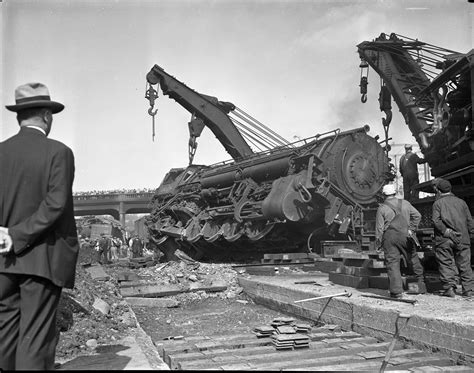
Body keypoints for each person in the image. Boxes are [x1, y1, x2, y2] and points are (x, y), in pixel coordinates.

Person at [0, 82, 79, 370]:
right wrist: (17, 235)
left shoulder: (1, 152)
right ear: (47, 116)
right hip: (42, 260)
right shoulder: (59, 152)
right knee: (35, 340)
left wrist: (4, 235)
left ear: (19, 116)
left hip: (3, 262)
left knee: (5, 337)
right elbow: (55, 205)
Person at [375, 184, 426, 298]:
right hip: (405, 235)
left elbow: (379, 229)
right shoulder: (405, 203)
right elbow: (417, 215)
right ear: (395, 192)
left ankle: (396, 291)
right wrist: (411, 229)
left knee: (392, 262)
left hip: (390, 237)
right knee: (413, 258)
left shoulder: (382, 208)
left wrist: (378, 243)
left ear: (384, 194)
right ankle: (421, 285)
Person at [432, 178, 474, 297]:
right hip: (462, 238)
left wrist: (446, 231)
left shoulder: (437, 203)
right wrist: (469, 235)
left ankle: (449, 289)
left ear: (439, 191)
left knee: (445, 263)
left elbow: (436, 221)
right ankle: (468, 290)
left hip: (445, 239)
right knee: (465, 264)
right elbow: (469, 221)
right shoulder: (462, 202)